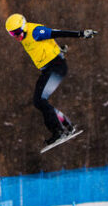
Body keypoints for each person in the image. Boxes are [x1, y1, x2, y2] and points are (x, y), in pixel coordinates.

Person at [5, 13, 96, 146]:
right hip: (49, 69)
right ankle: (67, 125)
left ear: (24, 27)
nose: (16, 37)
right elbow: (45, 46)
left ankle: (59, 131)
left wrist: (81, 34)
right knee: (38, 101)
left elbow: (56, 33)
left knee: (41, 100)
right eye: (12, 34)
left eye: (17, 32)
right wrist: (58, 49)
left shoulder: (35, 31)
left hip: (56, 67)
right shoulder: (25, 38)